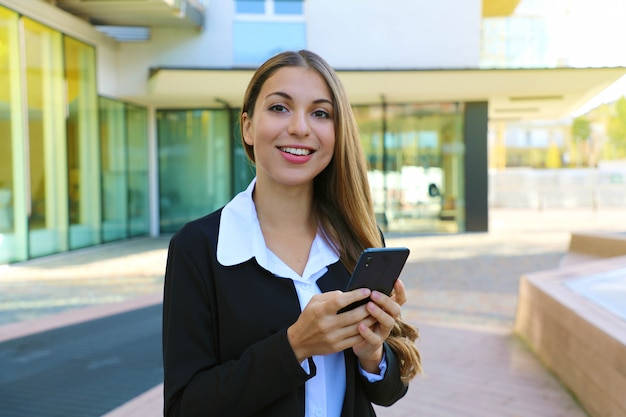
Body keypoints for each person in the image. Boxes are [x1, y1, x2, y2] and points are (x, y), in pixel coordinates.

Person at [162, 49, 422, 417]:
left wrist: (373, 354)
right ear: (248, 127)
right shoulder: (198, 248)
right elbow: (184, 407)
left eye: (320, 113)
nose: (300, 127)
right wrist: (294, 345)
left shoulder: (360, 238)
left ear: (337, 132)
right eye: (279, 108)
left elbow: (389, 392)